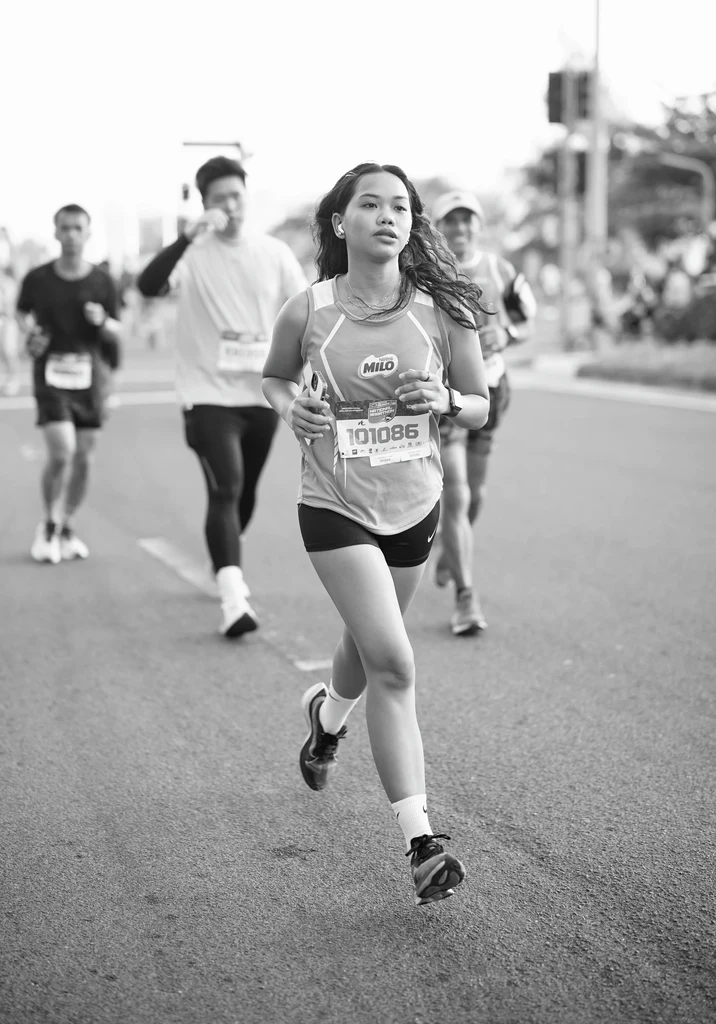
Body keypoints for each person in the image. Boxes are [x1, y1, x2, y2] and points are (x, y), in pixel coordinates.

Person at [262, 162, 490, 906]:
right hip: (334, 502)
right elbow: (273, 378)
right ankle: (422, 843)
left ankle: (326, 720)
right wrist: (290, 406)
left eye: (400, 206)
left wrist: (449, 399)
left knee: (367, 644)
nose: (387, 216)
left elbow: (480, 402)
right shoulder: (309, 310)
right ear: (340, 222)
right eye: (370, 205)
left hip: (414, 501)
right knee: (393, 660)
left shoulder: (442, 310)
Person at [137, 156, 307, 638]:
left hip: (262, 394)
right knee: (226, 486)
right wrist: (188, 236)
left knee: (244, 492)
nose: (229, 206)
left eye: (236, 196)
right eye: (218, 199)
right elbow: (148, 285)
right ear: (205, 205)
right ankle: (233, 598)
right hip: (205, 394)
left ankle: (225, 550)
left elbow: (305, 313)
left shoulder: (273, 252)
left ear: (246, 197)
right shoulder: (191, 254)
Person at [431, 190, 537, 635]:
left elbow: (528, 318)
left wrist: (507, 335)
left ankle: (450, 551)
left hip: (492, 390)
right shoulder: (427, 273)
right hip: (448, 397)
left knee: (476, 497)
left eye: (467, 220)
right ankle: (465, 598)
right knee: (455, 495)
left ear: (478, 224)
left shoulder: (500, 269)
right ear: (438, 228)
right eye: (450, 222)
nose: (460, 229)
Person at [15, 205, 122, 564]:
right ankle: (47, 522)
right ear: (56, 232)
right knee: (61, 452)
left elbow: (118, 328)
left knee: (84, 459)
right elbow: (21, 312)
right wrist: (29, 332)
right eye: (65, 228)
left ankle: (66, 524)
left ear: (88, 233)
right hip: (51, 377)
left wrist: (102, 320)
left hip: (91, 379)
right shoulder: (38, 279)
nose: (72, 234)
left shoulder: (102, 281)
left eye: (78, 228)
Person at [0, 266, 21, 396]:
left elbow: (11, 306)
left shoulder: (7, 283)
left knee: (9, 352)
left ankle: (14, 379)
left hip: (6, 321)